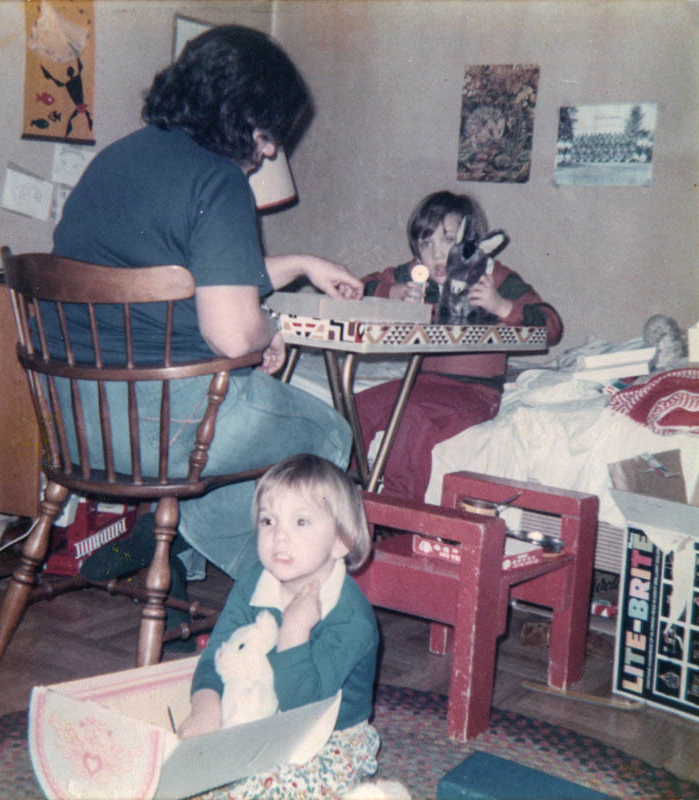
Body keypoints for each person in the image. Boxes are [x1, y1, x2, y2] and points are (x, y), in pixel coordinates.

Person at [50, 25, 363, 584]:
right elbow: (232, 334)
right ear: (241, 115)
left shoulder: (112, 163)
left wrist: (300, 265)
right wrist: (268, 331)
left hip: (78, 426)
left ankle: (198, 560)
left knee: (235, 450)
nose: (269, 151)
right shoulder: (217, 181)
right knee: (330, 434)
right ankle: (277, 593)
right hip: (165, 426)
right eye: (269, 134)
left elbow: (178, 281)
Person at [177, 454, 380, 798]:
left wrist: (294, 634)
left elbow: (304, 706)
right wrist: (205, 706)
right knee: (187, 771)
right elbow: (217, 656)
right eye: (269, 521)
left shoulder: (351, 619)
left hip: (329, 734)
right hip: (261, 714)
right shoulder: (254, 581)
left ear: (340, 542)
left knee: (260, 791)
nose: (279, 537)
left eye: (301, 522)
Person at [358, 190, 563, 502]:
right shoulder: (417, 274)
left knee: (413, 420)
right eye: (426, 244)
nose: (437, 255)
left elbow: (552, 325)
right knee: (357, 407)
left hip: (476, 392)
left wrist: (503, 307)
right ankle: (341, 496)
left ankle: (395, 512)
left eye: (449, 240)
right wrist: (392, 292)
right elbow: (357, 289)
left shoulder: (493, 276)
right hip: (421, 382)